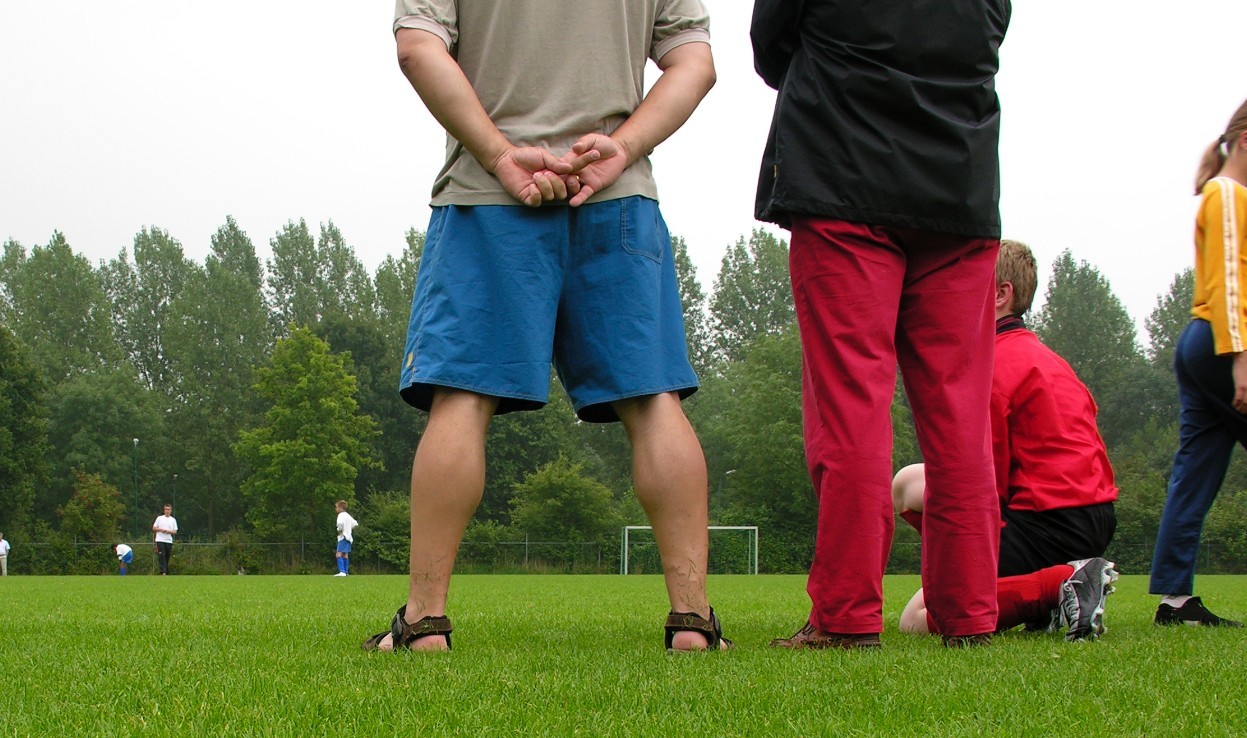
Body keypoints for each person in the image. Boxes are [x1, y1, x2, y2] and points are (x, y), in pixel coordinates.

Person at [366, 0, 725, 653]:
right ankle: (693, 624)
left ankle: (423, 625)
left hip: (489, 194)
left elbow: (418, 47)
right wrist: (625, 147)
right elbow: (694, 62)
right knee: (653, 401)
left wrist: (501, 154)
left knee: (461, 397)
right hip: (615, 194)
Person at [752, 0, 1009, 649]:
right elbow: (986, 33)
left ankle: (845, 615)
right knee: (960, 415)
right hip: (958, 186)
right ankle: (971, 614)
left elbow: (771, 45)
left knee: (850, 409)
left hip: (842, 179)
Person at [892, 241, 1119, 641]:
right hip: (1090, 517)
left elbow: (985, 484)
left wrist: (970, 564)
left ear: (1001, 294)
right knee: (908, 482)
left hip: (1045, 522)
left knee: (917, 618)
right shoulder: (1048, 359)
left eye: (966, 284)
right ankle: (1039, 600)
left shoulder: (992, 367)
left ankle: (1061, 584)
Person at [1146, 99, 1247, 629]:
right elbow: (1232, 282)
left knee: (1194, 471)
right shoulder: (1228, 194)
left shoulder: (1222, 194)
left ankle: (1175, 602)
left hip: (1203, 342)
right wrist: (1241, 361)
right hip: (1222, 343)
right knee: (1192, 470)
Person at [152, 504, 178, 575]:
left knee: (167, 555)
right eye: (166, 509)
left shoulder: (173, 520)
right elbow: (154, 528)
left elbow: (175, 531)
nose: (167, 511)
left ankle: (166, 570)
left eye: (168, 509)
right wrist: (161, 530)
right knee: (161, 555)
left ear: (171, 511)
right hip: (160, 540)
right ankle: (163, 572)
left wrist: (168, 531)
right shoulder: (159, 518)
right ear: (164, 510)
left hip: (168, 541)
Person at [334, 500, 357, 577]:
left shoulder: (341, 515)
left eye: (336, 507)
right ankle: (346, 572)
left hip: (343, 536)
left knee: (338, 554)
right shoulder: (348, 515)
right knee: (345, 554)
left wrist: (339, 530)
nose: (336, 509)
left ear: (340, 508)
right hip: (349, 537)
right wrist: (348, 529)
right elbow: (355, 524)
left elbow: (340, 524)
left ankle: (342, 571)